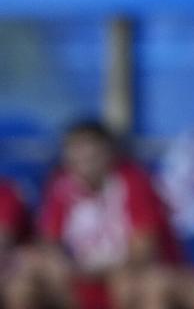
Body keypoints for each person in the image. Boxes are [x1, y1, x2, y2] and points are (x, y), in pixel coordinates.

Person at [4, 121, 179, 309]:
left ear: (109, 152)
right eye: (76, 149)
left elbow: (142, 250)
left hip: (122, 270)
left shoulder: (134, 183)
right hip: (77, 274)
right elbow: (49, 242)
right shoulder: (61, 188)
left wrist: (89, 268)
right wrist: (58, 263)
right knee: (23, 281)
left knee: (134, 283)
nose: (84, 157)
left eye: (90, 149)